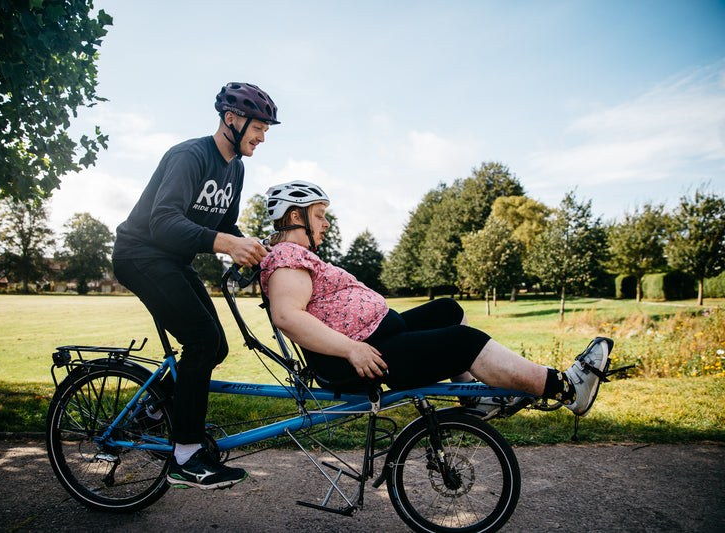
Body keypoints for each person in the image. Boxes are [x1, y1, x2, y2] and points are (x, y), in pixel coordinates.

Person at [259, 180, 613, 417]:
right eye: (319, 215)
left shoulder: (296, 256)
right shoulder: (287, 257)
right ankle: (566, 388)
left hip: (377, 336)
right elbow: (288, 316)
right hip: (362, 357)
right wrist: (352, 350)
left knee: (448, 309)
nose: (325, 224)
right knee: (462, 341)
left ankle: (474, 396)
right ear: (295, 216)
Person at [112, 82, 280, 490]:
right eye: (258, 127)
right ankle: (186, 455)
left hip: (172, 260)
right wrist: (227, 244)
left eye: (266, 131)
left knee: (215, 346)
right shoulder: (190, 155)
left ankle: (151, 412)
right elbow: (163, 222)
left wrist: (261, 255)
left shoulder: (235, 168)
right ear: (231, 119)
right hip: (140, 255)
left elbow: (223, 226)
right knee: (203, 341)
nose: (261, 137)